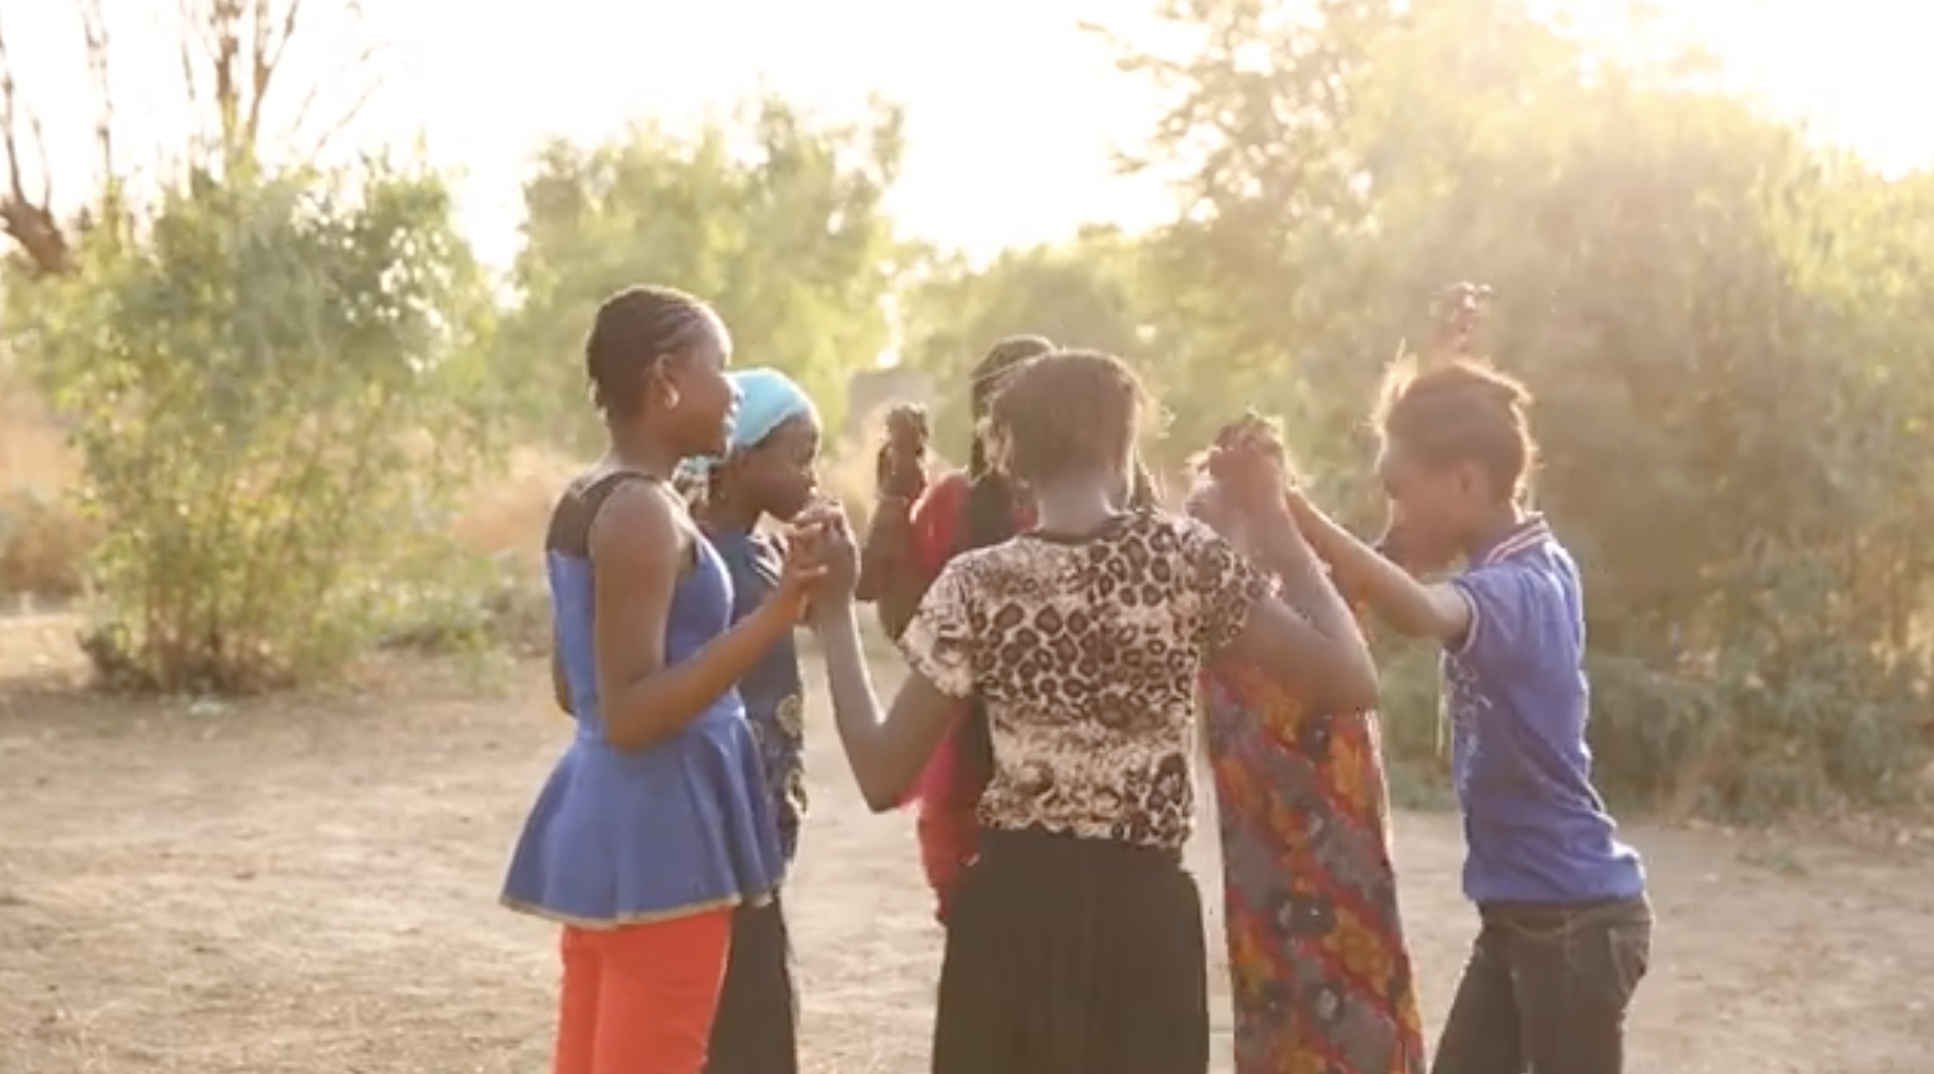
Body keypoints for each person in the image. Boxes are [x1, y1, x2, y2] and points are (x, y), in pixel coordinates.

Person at [802, 348, 1383, 1074]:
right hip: (1143, 917)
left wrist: (832, 615)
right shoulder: (1183, 560)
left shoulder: (979, 583)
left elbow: (882, 774)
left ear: (1012, 458)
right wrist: (1280, 528)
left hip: (1009, 917)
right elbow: (1351, 679)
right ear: (1120, 448)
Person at [1286, 357, 1651, 1074]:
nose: (1395, 513)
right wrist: (1444, 371)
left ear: (1465, 481)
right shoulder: (1529, 554)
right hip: (1525, 914)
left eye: (1399, 492)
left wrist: (1294, 513)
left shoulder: (1518, 590)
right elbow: (1467, 478)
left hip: (1571, 918)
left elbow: (1421, 610)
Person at [501, 286, 820, 1074]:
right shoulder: (645, 512)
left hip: (611, 823)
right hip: (663, 834)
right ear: (667, 381)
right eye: (721, 367)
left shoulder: (589, 496)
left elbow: (578, 690)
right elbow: (630, 714)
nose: (735, 388)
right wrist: (778, 614)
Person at [1187, 416, 1427, 1074]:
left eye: (1216, 515)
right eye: (1196, 516)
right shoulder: (1215, 627)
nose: (1199, 535)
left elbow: (1397, 553)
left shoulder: (1321, 600)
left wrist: (1281, 509)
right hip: (1268, 906)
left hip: (1348, 905)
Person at [854, 334, 1050, 922]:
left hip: (1055, 781)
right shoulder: (955, 503)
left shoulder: (1098, 509)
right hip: (973, 775)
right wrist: (897, 495)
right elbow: (904, 622)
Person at [683, 366, 822, 1074]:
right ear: (740, 460)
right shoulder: (703, 563)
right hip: (718, 825)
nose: (812, 476)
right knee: (734, 1012)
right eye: (799, 456)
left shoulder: (764, 553)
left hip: (760, 820)